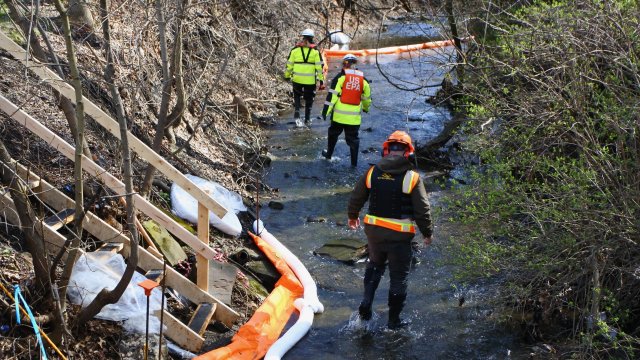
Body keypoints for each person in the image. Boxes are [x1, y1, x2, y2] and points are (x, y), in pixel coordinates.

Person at [347, 131, 433, 329]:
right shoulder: (412, 177)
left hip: (374, 232)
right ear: (408, 152)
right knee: (398, 277)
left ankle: (366, 305)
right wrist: (427, 233)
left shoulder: (372, 172)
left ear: (386, 150)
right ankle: (393, 322)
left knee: (375, 265)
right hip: (399, 237)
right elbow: (423, 209)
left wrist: (352, 217)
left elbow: (356, 197)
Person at [321, 54, 371, 167]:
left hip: (338, 117)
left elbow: (331, 97)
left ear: (344, 64)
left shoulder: (340, 78)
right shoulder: (364, 81)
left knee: (333, 135)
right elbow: (367, 99)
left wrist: (325, 111)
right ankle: (354, 164)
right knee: (353, 140)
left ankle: (328, 155)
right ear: (355, 65)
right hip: (353, 119)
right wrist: (365, 109)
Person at [284, 28, 325, 125]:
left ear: (303, 37)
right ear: (312, 38)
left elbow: (289, 65)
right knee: (309, 99)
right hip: (310, 81)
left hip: (297, 79)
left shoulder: (295, 50)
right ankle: (307, 118)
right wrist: (321, 81)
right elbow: (319, 67)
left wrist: (287, 76)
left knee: (297, 96)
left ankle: (297, 111)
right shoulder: (315, 52)